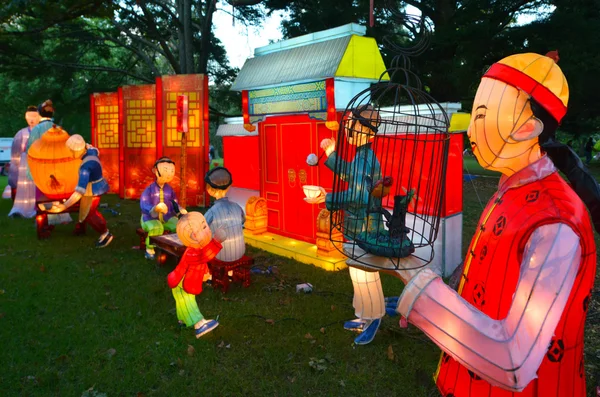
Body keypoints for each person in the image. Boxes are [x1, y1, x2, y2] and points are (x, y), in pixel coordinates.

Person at [391, 52, 597, 396]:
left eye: (481, 116)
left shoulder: (556, 223)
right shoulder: (512, 189)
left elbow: (514, 361)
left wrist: (420, 290)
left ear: (528, 127)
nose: (471, 129)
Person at [305, 105, 388, 345]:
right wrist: (331, 155)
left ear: (368, 132)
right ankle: (363, 314)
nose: (349, 130)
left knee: (366, 274)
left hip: (364, 227)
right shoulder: (361, 157)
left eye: (353, 126)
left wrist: (326, 198)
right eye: (349, 125)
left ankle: (374, 317)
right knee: (357, 272)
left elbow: (359, 196)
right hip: (358, 226)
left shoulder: (365, 158)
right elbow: (349, 173)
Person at [167, 212, 227, 338]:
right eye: (204, 227)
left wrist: (206, 273)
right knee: (188, 302)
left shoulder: (195, 249)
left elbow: (201, 262)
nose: (209, 229)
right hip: (181, 282)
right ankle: (199, 325)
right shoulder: (192, 252)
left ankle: (183, 320)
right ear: (194, 236)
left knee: (182, 302)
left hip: (181, 281)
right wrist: (216, 242)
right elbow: (204, 256)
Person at [47, 135, 113, 248]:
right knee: (88, 212)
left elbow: (79, 192)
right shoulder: (91, 151)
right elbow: (94, 149)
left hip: (92, 191)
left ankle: (105, 233)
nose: (70, 153)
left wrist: (65, 205)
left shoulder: (85, 169)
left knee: (90, 214)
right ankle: (94, 230)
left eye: (71, 151)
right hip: (97, 186)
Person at [139, 157, 187, 260]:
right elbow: (144, 203)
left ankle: (173, 246)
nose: (169, 174)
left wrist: (179, 209)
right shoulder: (149, 189)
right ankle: (150, 248)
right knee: (156, 227)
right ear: (155, 171)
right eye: (165, 170)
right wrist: (155, 208)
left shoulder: (169, 190)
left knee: (178, 226)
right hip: (149, 218)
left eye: (171, 171)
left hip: (166, 217)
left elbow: (174, 202)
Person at [204, 167, 246, 262]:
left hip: (220, 256)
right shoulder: (237, 207)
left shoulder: (212, 212)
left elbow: (202, 229)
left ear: (210, 189)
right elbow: (243, 220)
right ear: (229, 186)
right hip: (240, 252)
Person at [7, 106, 39, 216]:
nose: (32, 119)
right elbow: (15, 154)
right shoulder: (21, 134)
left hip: (39, 166)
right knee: (26, 188)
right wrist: (14, 170)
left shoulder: (43, 131)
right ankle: (24, 207)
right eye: (29, 116)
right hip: (25, 167)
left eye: (34, 116)